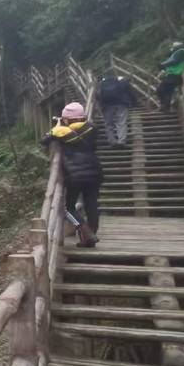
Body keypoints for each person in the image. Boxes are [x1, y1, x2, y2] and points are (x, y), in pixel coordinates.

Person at [42, 103, 103, 248]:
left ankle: (84, 230)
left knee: (67, 208)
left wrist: (57, 127)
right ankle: (90, 236)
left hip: (75, 175)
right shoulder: (91, 129)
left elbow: (44, 141)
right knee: (91, 203)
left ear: (67, 119)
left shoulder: (62, 132)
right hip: (95, 172)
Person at [96, 72, 137, 147]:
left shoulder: (102, 83)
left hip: (107, 105)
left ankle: (112, 141)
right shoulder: (120, 81)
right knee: (121, 122)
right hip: (121, 104)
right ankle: (121, 140)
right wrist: (134, 104)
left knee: (109, 124)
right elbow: (130, 92)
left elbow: (98, 95)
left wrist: (100, 107)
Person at [157, 41, 184, 113]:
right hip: (171, 75)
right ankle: (166, 107)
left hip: (175, 75)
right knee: (166, 91)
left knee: (161, 90)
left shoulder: (181, 51)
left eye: (174, 46)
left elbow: (174, 61)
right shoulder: (175, 53)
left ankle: (165, 107)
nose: (172, 47)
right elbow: (170, 64)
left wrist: (163, 64)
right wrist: (162, 69)